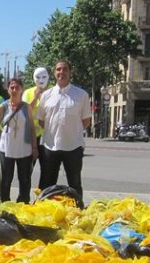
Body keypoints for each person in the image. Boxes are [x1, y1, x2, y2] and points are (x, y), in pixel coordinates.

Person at [37, 60, 91, 197]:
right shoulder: (46, 95)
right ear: (54, 73)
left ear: (70, 72)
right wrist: (54, 131)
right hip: (50, 146)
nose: (61, 72)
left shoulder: (81, 95)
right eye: (58, 69)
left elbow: (86, 121)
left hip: (73, 146)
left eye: (65, 69)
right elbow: (41, 121)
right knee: (46, 184)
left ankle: (77, 212)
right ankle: (43, 212)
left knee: (75, 184)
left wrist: (71, 131)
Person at [0, 78, 38, 203]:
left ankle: (23, 201)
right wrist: (2, 135)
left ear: (21, 89)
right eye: (11, 87)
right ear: (8, 90)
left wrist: (34, 147)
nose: (14, 90)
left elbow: (31, 127)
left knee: (24, 178)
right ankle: (5, 203)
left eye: (17, 87)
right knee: (6, 178)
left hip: (24, 148)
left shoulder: (26, 107)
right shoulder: (3, 106)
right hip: (6, 149)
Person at [23, 67, 50, 187]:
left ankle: (43, 196)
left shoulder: (53, 92)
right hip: (31, 136)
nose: (41, 80)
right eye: (38, 77)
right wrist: (35, 97)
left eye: (44, 77)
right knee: (27, 169)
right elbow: (24, 110)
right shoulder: (28, 93)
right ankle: (24, 196)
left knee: (47, 169)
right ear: (33, 78)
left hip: (47, 137)